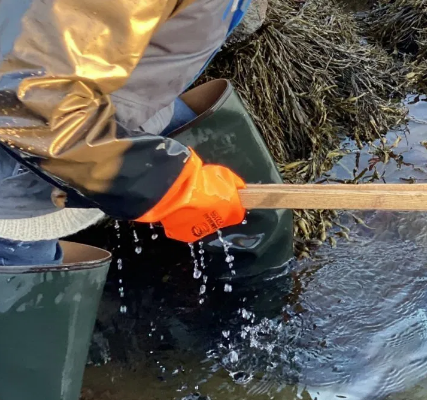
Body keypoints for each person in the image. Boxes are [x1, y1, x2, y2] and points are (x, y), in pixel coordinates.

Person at [0, 0, 253, 266]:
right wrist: (159, 182)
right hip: (29, 151)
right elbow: (27, 101)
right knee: (28, 289)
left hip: (113, 110)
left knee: (237, 170)